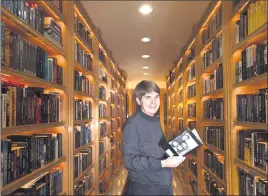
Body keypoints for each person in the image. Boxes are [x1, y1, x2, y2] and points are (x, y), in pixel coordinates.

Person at [122, 80, 186, 195]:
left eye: (156, 97)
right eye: (148, 97)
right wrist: (164, 163)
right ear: (138, 101)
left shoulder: (154, 119)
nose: (153, 102)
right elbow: (130, 161)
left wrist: (179, 147)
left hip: (163, 181)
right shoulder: (132, 124)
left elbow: (159, 146)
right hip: (146, 187)